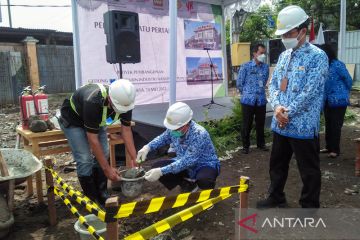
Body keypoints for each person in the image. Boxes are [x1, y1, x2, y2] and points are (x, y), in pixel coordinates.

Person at [256, 5, 329, 209]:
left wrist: (287, 111)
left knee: (308, 169)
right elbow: (273, 83)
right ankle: (276, 196)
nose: (285, 37)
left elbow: (310, 91)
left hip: (303, 125)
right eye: (283, 34)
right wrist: (277, 106)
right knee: (277, 164)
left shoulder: (318, 57)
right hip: (281, 124)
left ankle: (309, 204)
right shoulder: (284, 56)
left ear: (303, 31)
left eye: (289, 33)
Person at [59, 79, 137, 205]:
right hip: (74, 120)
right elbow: (93, 139)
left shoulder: (126, 102)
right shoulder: (92, 101)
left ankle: (102, 192)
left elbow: (126, 130)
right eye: (118, 108)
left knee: (104, 152)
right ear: (110, 99)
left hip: (97, 121)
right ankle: (91, 198)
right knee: (84, 159)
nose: (121, 111)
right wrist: (107, 169)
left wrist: (134, 157)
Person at [136, 102, 220, 192]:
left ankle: (208, 195)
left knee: (204, 180)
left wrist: (161, 171)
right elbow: (162, 138)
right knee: (156, 166)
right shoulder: (174, 128)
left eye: (175, 129)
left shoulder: (199, 134)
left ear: (186, 124)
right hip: (182, 161)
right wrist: (147, 147)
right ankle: (188, 184)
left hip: (204, 164)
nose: (172, 131)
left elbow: (188, 161)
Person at [317, 44, 353, 158]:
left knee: (336, 125)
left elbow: (348, 80)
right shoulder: (323, 66)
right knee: (328, 124)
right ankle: (328, 147)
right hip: (327, 100)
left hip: (339, 100)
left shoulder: (337, 64)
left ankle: (335, 150)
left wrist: (343, 92)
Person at [236, 43, 270, 154]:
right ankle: (245, 146)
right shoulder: (245, 66)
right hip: (248, 100)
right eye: (261, 53)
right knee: (247, 124)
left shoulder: (265, 67)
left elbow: (264, 82)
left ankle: (261, 144)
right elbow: (239, 83)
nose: (263, 55)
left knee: (260, 123)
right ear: (254, 53)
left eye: (264, 53)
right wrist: (247, 93)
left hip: (260, 100)